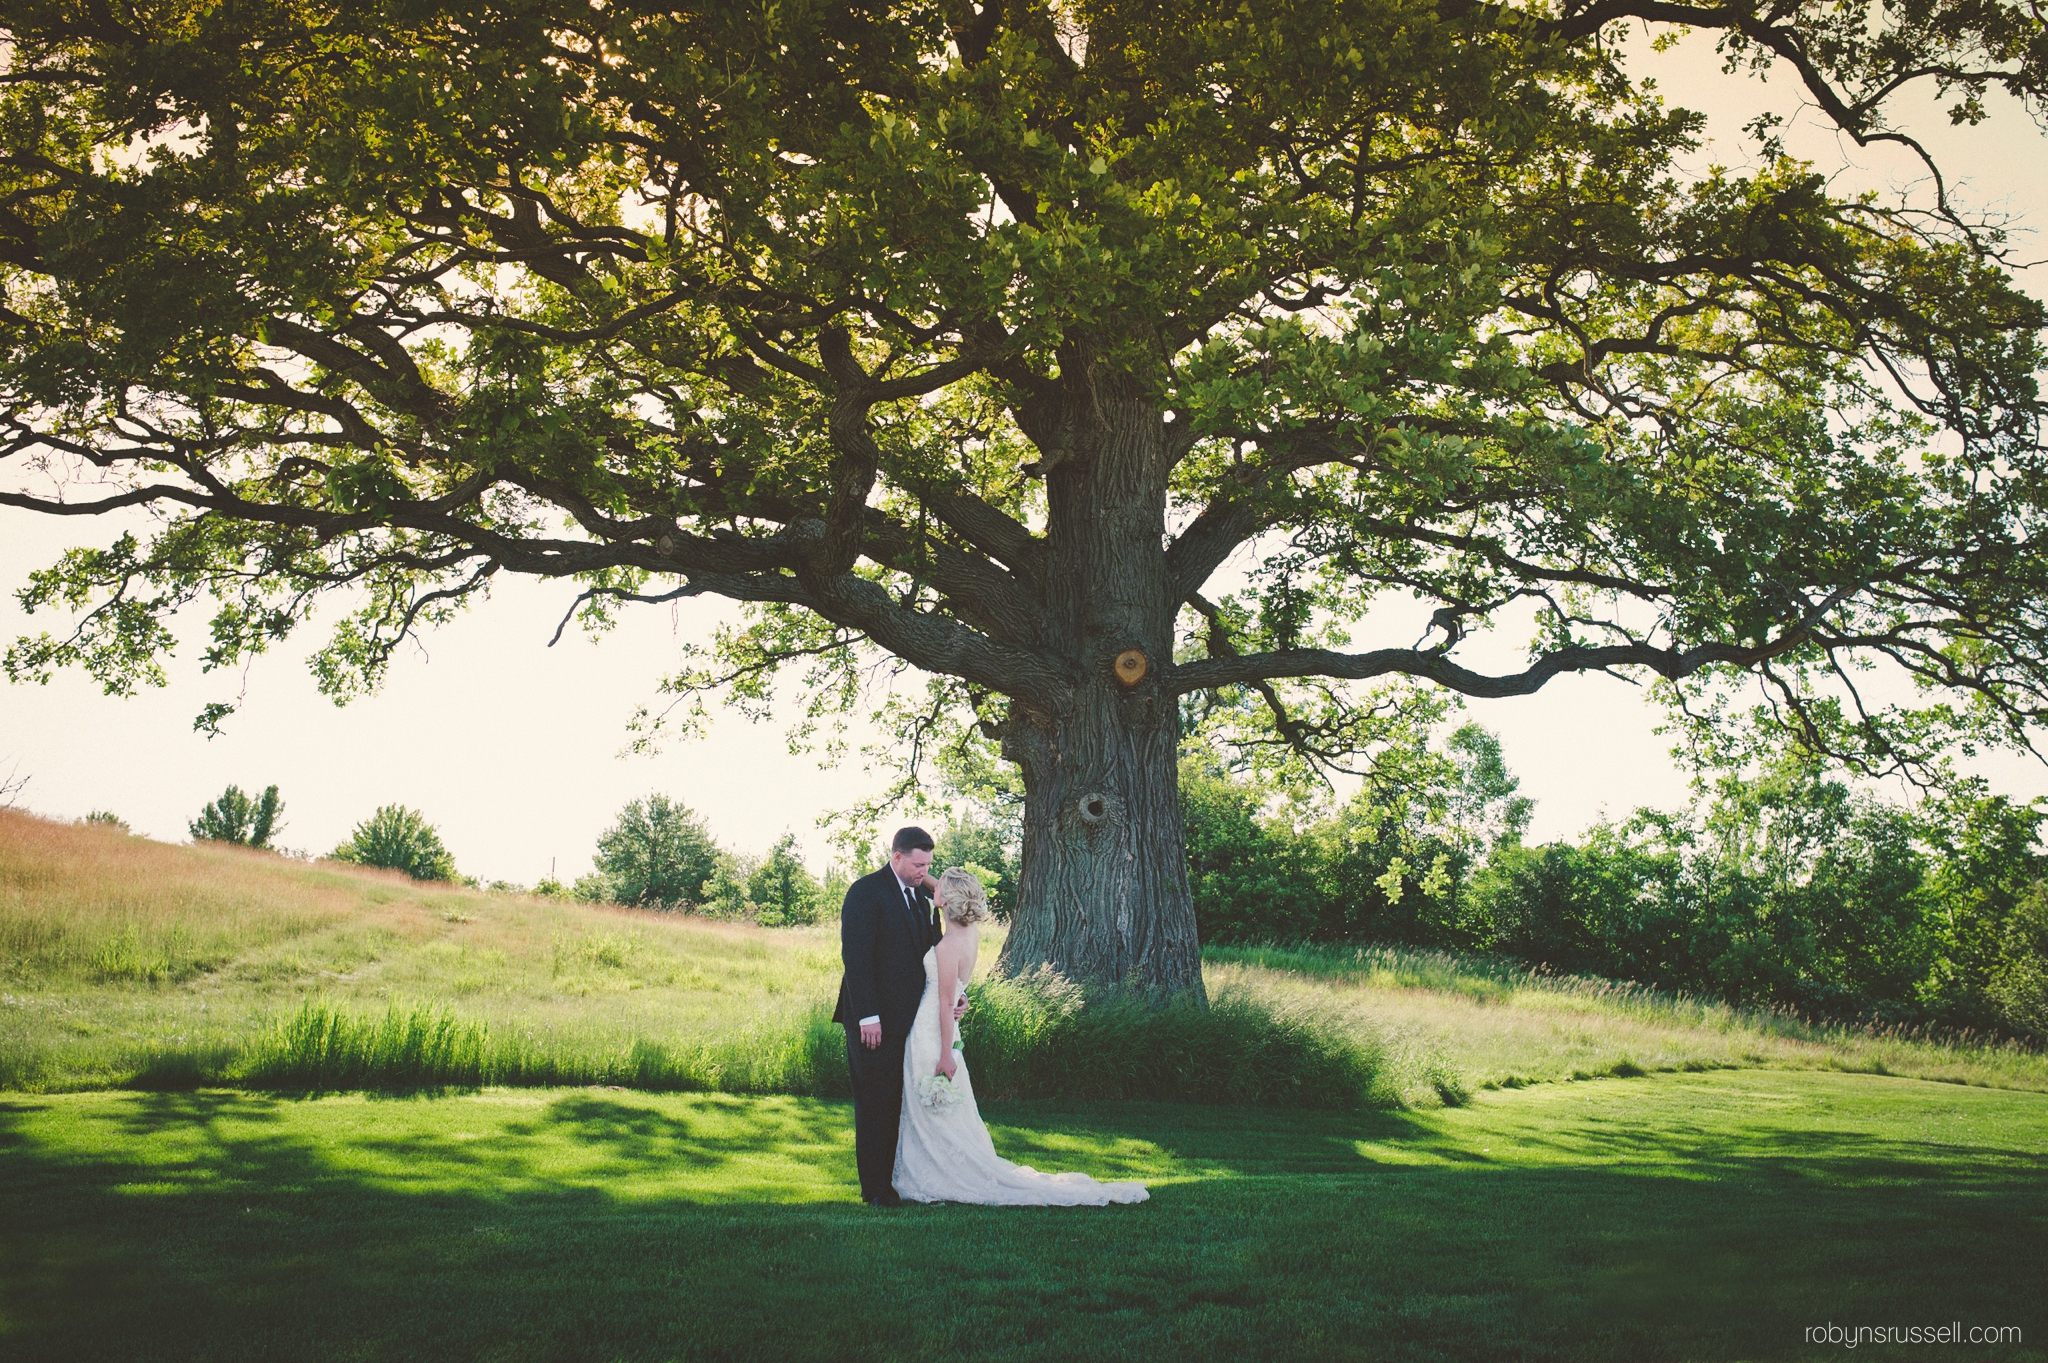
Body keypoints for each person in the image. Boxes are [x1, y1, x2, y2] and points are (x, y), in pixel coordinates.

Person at [892, 866, 1149, 1207]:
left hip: (932, 1032)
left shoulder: (947, 944)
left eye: (939, 887)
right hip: (947, 1028)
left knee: (929, 1106)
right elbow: (954, 989)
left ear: (945, 899)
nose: (932, 885)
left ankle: (935, 1173)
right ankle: (931, 1166)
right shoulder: (969, 936)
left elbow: (943, 1002)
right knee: (944, 1108)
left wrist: (943, 1054)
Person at [834, 825, 957, 1206]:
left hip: (910, 1022)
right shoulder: (865, 892)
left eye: (929, 865)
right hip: (872, 1022)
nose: (924, 871)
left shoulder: (922, 899)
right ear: (897, 856)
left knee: (898, 1103)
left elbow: (932, 954)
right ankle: (875, 1191)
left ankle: (896, 1182)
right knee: (875, 1103)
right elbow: (856, 957)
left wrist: (955, 995)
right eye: (918, 864)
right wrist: (867, 1016)